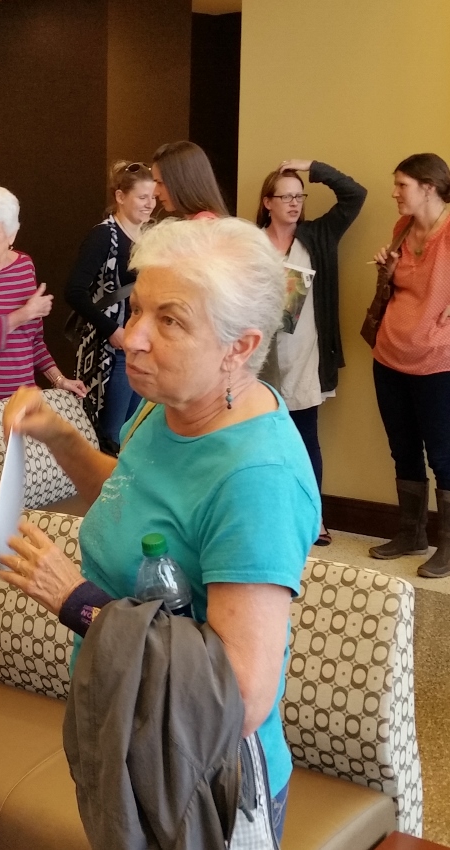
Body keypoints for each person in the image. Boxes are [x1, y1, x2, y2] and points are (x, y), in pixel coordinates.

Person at [0, 217, 319, 843]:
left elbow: (242, 695)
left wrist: (78, 602)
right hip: (131, 730)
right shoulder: (172, 402)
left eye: (169, 321)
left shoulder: (257, 479)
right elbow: (136, 495)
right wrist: (61, 435)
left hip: (202, 776)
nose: (131, 338)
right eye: (136, 308)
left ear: (240, 346)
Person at [256, 159, 366, 545]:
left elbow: (355, 195)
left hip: (306, 354)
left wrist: (312, 167)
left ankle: (313, 517)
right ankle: (267, 516)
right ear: (267, 202)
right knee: (260, 439)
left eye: (299, 195)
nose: (294, 203)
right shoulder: (249, 242)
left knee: (305, 437)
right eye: (284, 196)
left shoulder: (318, 236)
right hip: (259, 358)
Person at [369, 152, 450, 577]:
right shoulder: (402, 228)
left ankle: (448, 545)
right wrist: (391, 268)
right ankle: (411, 532)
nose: (395, 192)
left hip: (438, 363)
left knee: (444, 456)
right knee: (403, 449)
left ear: (429, 187)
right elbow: (403, 287)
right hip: (389, 355)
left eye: (402, 185)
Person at [0, 183, 87, 403]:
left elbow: (33, 339)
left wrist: (58, 379)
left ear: (11, 235)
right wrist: (23, 314)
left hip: (21, 401)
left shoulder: (24, 266)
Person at [65, 160, 156, 453]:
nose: (150, 204)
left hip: (140, 347)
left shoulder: (151, 236)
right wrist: (111, 330)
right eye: (143, 197)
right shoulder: (104, 235)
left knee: (134, 430)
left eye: (153, 197)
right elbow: (74, 291)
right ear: (120, 197)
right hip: (111, 352)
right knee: (111, 434)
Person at [151, 140, 229, 220]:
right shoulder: (200, 220)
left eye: (160, 183)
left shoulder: (203, 223)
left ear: (182, 181)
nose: (155, 192)